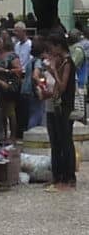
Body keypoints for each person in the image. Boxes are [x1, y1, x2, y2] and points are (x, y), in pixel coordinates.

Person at [41, 33, 76, 192]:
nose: (51, 51)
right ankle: (58, 175)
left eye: (52, 47)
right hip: (56, 106)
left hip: (65, 107)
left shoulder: (67, 63)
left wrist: (53, 70)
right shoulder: (61, 61)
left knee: (65, 141)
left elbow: (62, 86)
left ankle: (69, 177)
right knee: (56, 141)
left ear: (59, 46)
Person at [0, 30, 22, 143]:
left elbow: (19, 70)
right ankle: (3, 135)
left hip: (8, 86)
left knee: (10, 112)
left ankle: (13, 135)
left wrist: (6, 70)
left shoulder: (12, 55)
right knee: (0, 112)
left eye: (0, 41)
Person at [21, 37, 46, 130]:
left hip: (26, 89)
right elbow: (35, 76)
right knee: (37, 114)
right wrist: (42, 85)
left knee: (32, 113)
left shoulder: (31, 61)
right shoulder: (38, 62)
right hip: (33, 91)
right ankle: (32, 133)